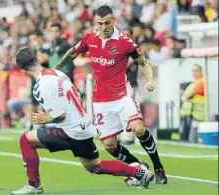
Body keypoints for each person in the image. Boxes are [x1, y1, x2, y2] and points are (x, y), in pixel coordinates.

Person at [11, 47, 154, 195]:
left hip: (71, 131)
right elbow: (78, 98)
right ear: (37, 60)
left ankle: (34, 185)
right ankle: (139, 172)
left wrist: (47, 118)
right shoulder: (58, 73)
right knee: (94, 166)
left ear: (23, 70)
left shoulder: (40, 86)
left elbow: (60, 116)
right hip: (84, 127)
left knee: (26, 139)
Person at [54, 5, 167, 184]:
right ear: (95, 22)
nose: (104, 26)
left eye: (107, 22)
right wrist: (56, 69)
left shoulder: (125, 42)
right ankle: (137, 166)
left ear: (114, 20)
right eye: (100, 23)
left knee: (138, 128)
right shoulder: (89, 38)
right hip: (100, 100)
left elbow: (144, 63)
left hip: (122, 94)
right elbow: (72, 53)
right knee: (109, 145)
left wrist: (150, 80)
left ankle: (158, 167)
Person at [180, 64, 205, 143]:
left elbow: (188, 95)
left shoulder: (201, 82)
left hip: (202, 115)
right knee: (193, 139)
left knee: (196, 139)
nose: (194, 72)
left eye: (196, 70)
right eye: (193, 70)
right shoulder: (193, 84)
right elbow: (184, 97)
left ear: (201, 71)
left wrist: (187, 95)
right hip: (194, 114)